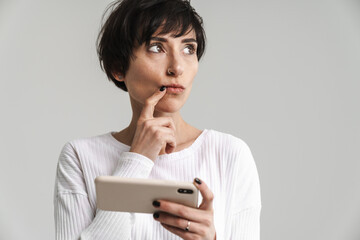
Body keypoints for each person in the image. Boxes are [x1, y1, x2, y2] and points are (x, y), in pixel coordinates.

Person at [53, 0, 262, 239]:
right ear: (118, 67)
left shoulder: (230, 154)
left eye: (188, 49)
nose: (177, 67)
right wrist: (137, 159)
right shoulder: (80, 157)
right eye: (156, 47)